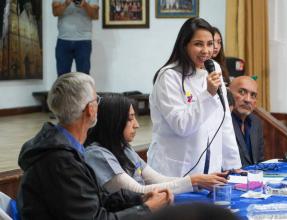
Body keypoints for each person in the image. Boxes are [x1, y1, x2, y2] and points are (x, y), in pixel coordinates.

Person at [17, 72, 172, 219]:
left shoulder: (62, 148)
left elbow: (95, 198)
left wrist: (139, 199)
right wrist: (146, 209)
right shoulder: (60, 161)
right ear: (90, 109)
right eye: (96, 100)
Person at [148, 17, 242, 177]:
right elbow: (181, 125)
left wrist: (233, 164)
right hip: (173, 171)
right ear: (184, 45)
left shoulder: (214, 68)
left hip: (209, 169)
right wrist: (208, 94)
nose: (206, 50)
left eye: (210, 44)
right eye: (198, 44)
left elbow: (224, 119)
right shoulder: (169, 76)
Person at [85, 94, 228, 194]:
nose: (136, 125)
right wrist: (193, 181)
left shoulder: (124, 148)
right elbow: (137, 191)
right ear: (112, 122)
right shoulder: (97, 154)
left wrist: (199, 182)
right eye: (130, 119)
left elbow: (157, 180)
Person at [52, 0, 99, 76]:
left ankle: (83, 88)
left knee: (84, 77)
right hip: (63, 39)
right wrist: (66, 3)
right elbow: (55, 12)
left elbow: (95, 15)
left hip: (83, 40)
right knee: (62, 77)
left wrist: (85, 4)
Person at [229, 76, 264, 167]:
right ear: (228, 94)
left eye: (253, 95)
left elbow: (259, 160)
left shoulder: (256, 122)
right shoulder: (222, 121)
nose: (248, 99)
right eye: (242, 92)